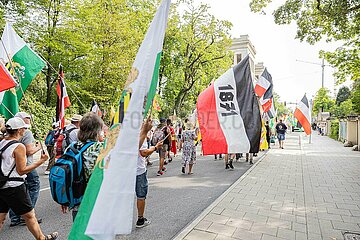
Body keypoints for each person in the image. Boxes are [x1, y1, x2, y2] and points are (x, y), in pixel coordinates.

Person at [0, 117, 58, 239]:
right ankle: (42, 238)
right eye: (24, 129)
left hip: (2, 184)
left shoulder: (2, 142)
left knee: (1, 217)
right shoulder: (19, 146)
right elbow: (21, 171)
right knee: (30, 215)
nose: (25, 131)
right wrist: (41, 161)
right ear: (20, 130)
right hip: (14, 186)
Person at [60, 112, 104, 221]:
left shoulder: (71, 147)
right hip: (96, 203)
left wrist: (64, 198)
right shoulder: (100, 148)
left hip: (77, 202)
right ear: (97, 131)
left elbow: (66, 172)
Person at [10, 112, 42, 227]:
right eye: (27, 118)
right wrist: (38, 147)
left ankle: (14, 217)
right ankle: (28, 215)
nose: (29, 120)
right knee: (34, 185)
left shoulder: (7, 134)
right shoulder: (26, 132)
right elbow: (28, 151)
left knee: (16, 190)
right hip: (26, 166)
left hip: (11, 167)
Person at [136, 117, 163, 227]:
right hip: (139, 171)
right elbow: (143, 152)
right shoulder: (139, 137)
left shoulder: (126, 135)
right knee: (141, 195)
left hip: (127, 171)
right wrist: (155, 147)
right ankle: (140, 219)